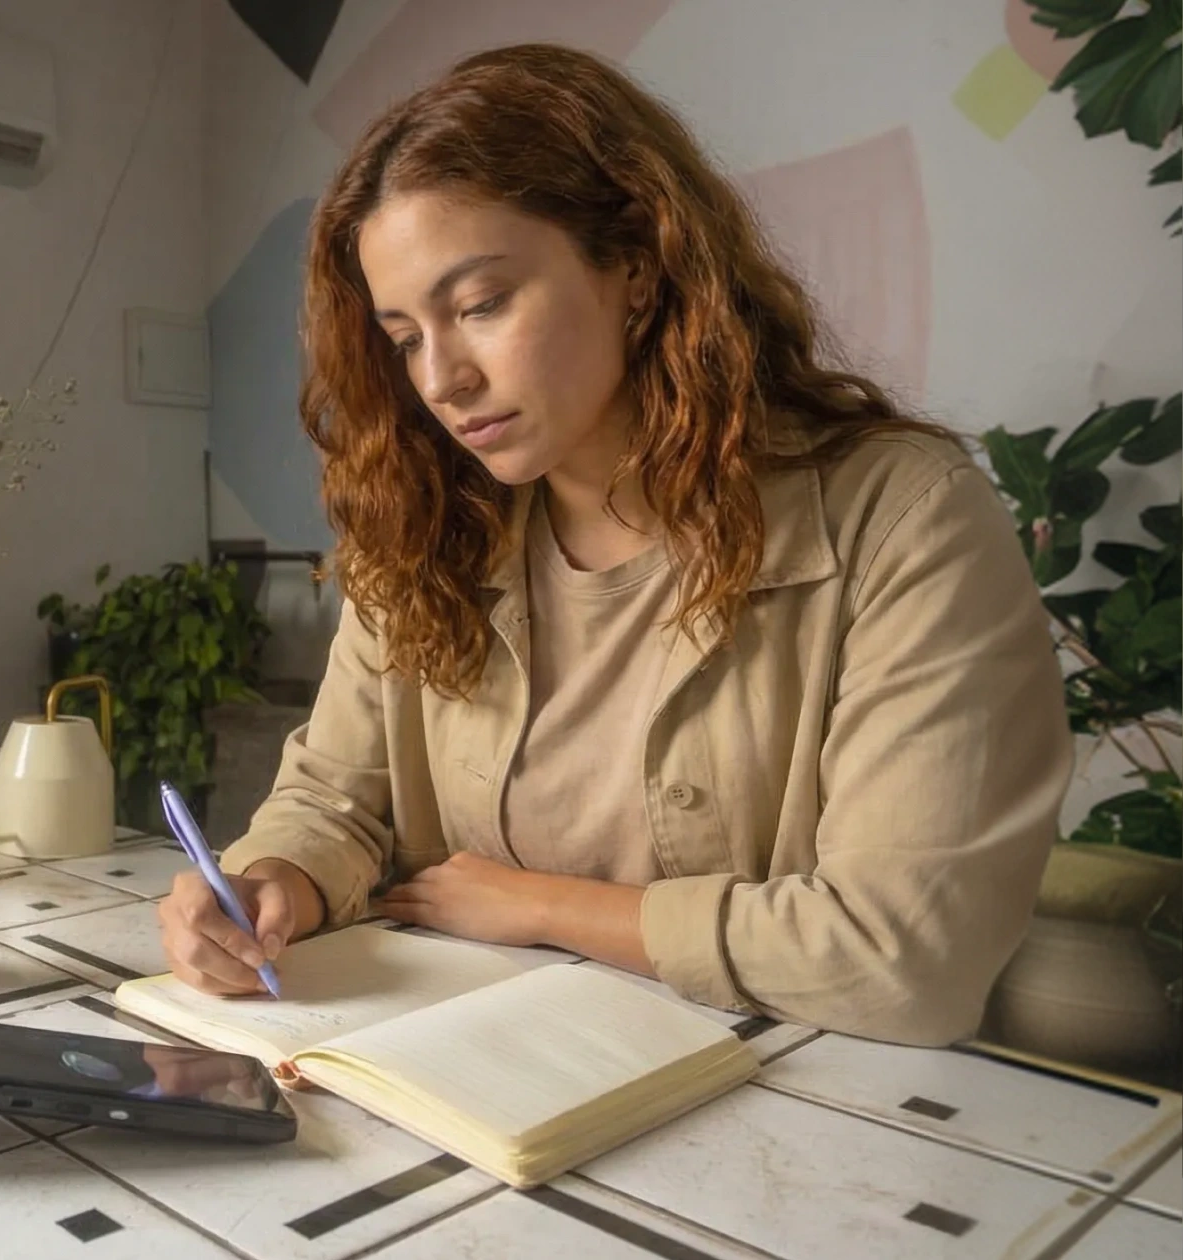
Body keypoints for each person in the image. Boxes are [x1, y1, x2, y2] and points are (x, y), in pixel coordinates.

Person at [155, 43, 1072, 1047]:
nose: (442, 380)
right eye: (406, 336)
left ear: (636, 263)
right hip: (481, 1068)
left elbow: (907, 960)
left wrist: (544, 906)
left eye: (481, 305)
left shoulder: (903, 517)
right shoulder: (419, 528)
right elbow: (335, 797)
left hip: (793, 1094)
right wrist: (272, 881)